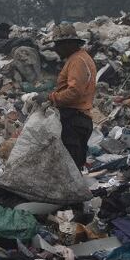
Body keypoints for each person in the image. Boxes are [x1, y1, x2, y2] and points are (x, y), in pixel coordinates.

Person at [46, 23, 96, 170]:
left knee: (69, 168)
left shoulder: (77, 61)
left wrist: (51, 98)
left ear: (68, 44)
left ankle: (71, 194)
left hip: (74, 120)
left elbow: (74, 92)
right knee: (73, 167)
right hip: (79, 119)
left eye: (58, 45)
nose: (55, 49)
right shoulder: (81, 58)